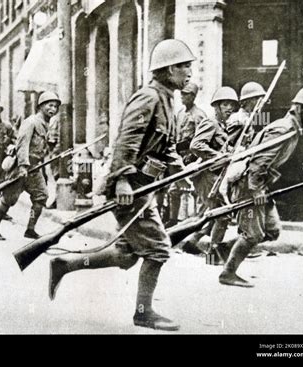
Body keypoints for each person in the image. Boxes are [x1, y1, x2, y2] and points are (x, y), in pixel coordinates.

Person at [48, 39, 196, 331]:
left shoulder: (167, 99)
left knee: (126, 255)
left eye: (189, 66)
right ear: (167, 70)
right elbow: (127, 141)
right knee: (158, 250)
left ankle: (64, 265)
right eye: (183, 66)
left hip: (145, 188)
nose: (189, 72)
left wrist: (182, 170)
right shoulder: (149, 98)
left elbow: (165, 147)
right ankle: (144, 312)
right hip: (131, 190)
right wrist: (123, 181)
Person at [219, 85, 303, 287]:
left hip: (260, 185)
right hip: (249, 185)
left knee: (273, 230)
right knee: (253, 234)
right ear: (299, 108)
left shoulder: (291, 128)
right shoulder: (283, 129)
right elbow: (259, 162)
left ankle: (226, 249)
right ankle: (228, 272)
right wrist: (256, 190)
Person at [0, 91, 60, 240]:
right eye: (49, 105)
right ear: (41, 106)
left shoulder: (46, 124)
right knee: (9, 199)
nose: (53, 109)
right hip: (22, 167)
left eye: (55, 106)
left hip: (35, 168)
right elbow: (22, 145)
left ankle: (30, 229)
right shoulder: (31, 121)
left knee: (41, 197)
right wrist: (22, 167)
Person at [187, 86, 239, 263]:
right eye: (225, 104)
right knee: (222, 215)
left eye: (232, 105)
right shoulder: (210, 123)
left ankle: (192, 241)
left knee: (215, 214)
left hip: (216, 176)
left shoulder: (224, 127)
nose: (229, 108)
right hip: (207, 176)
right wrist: (219, 156)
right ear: (216, 106)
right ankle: (213, 254)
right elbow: (196, 145)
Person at [162, 82, 207, 227]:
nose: (182, 97)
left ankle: (196, 221)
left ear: (193, 96)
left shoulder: (200, 115)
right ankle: (173, 220)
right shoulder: (180, 114)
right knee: (174, 190)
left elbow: (203, 138)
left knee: (194, 191)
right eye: (182, 94)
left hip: (193, 157)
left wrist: (196, 157)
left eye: (186, 94)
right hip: (180, 156)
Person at [227, 82, 266, 147]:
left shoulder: (250, 118)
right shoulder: (238, 120)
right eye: (257, 98)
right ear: (248, 100)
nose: (261, 102)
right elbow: (227, 145)